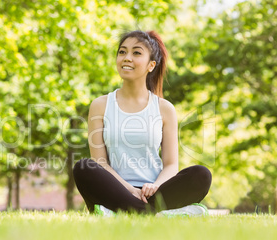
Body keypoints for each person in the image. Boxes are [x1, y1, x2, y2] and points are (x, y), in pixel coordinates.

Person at [72, 30, 212, 216]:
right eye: (122, 52)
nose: (127, 58)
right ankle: (158, 214)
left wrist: (154, 186)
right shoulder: (100, 105)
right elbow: (101, 162)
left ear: (151, 65)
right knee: (83, 167)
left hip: (154, 191)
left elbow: (171, 165)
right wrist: (131, 190)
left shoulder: (165, 108)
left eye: (136, 53)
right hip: (115, 191)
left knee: (201, 174)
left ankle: (123, 213)